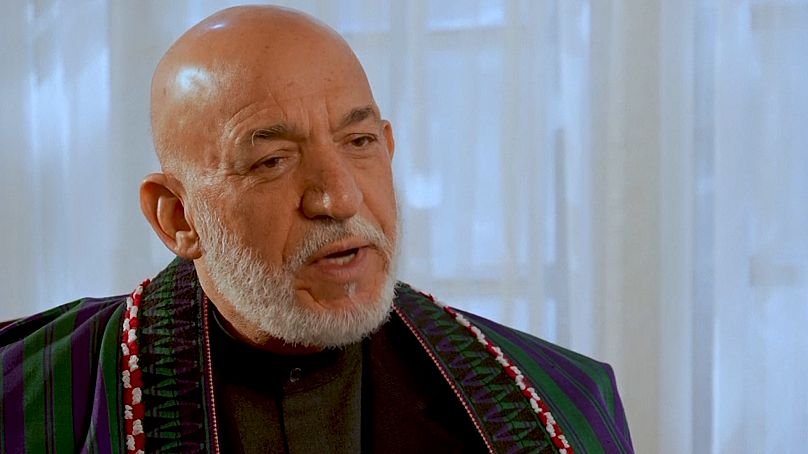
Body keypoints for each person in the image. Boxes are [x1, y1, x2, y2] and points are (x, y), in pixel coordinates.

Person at [0, 5, 633, 454]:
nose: (340, 197)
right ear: (178, 216)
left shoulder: (559, 403)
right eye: (272, 161)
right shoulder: (23, 400)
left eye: (359, 142)